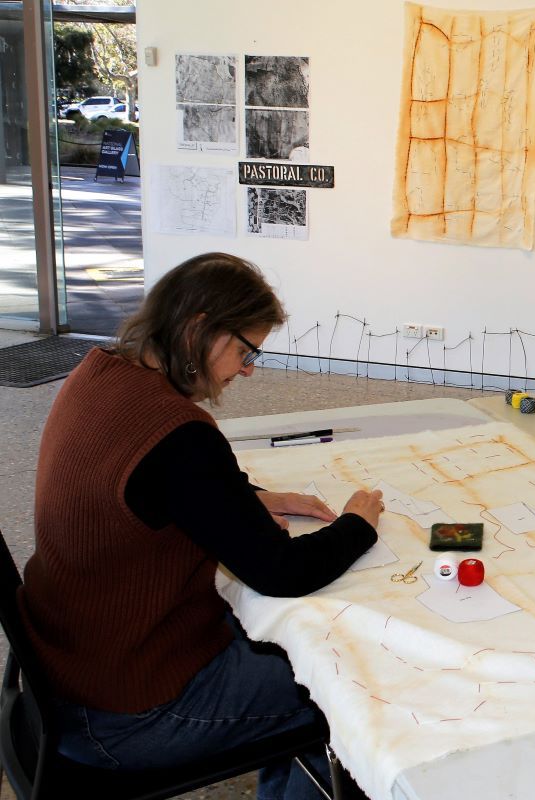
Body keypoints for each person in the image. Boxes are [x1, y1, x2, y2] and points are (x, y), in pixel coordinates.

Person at [18, 252, 383, 799]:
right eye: (244, 350)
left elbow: (159, 488)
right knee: (348, 687)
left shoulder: (96, 370)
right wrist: (358, 523)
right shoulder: (178, 432)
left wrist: (250, 497)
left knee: (294, 648)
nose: (248, 369)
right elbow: (281, 572)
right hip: (126, 712)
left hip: (63, 674)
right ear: (197, 330)